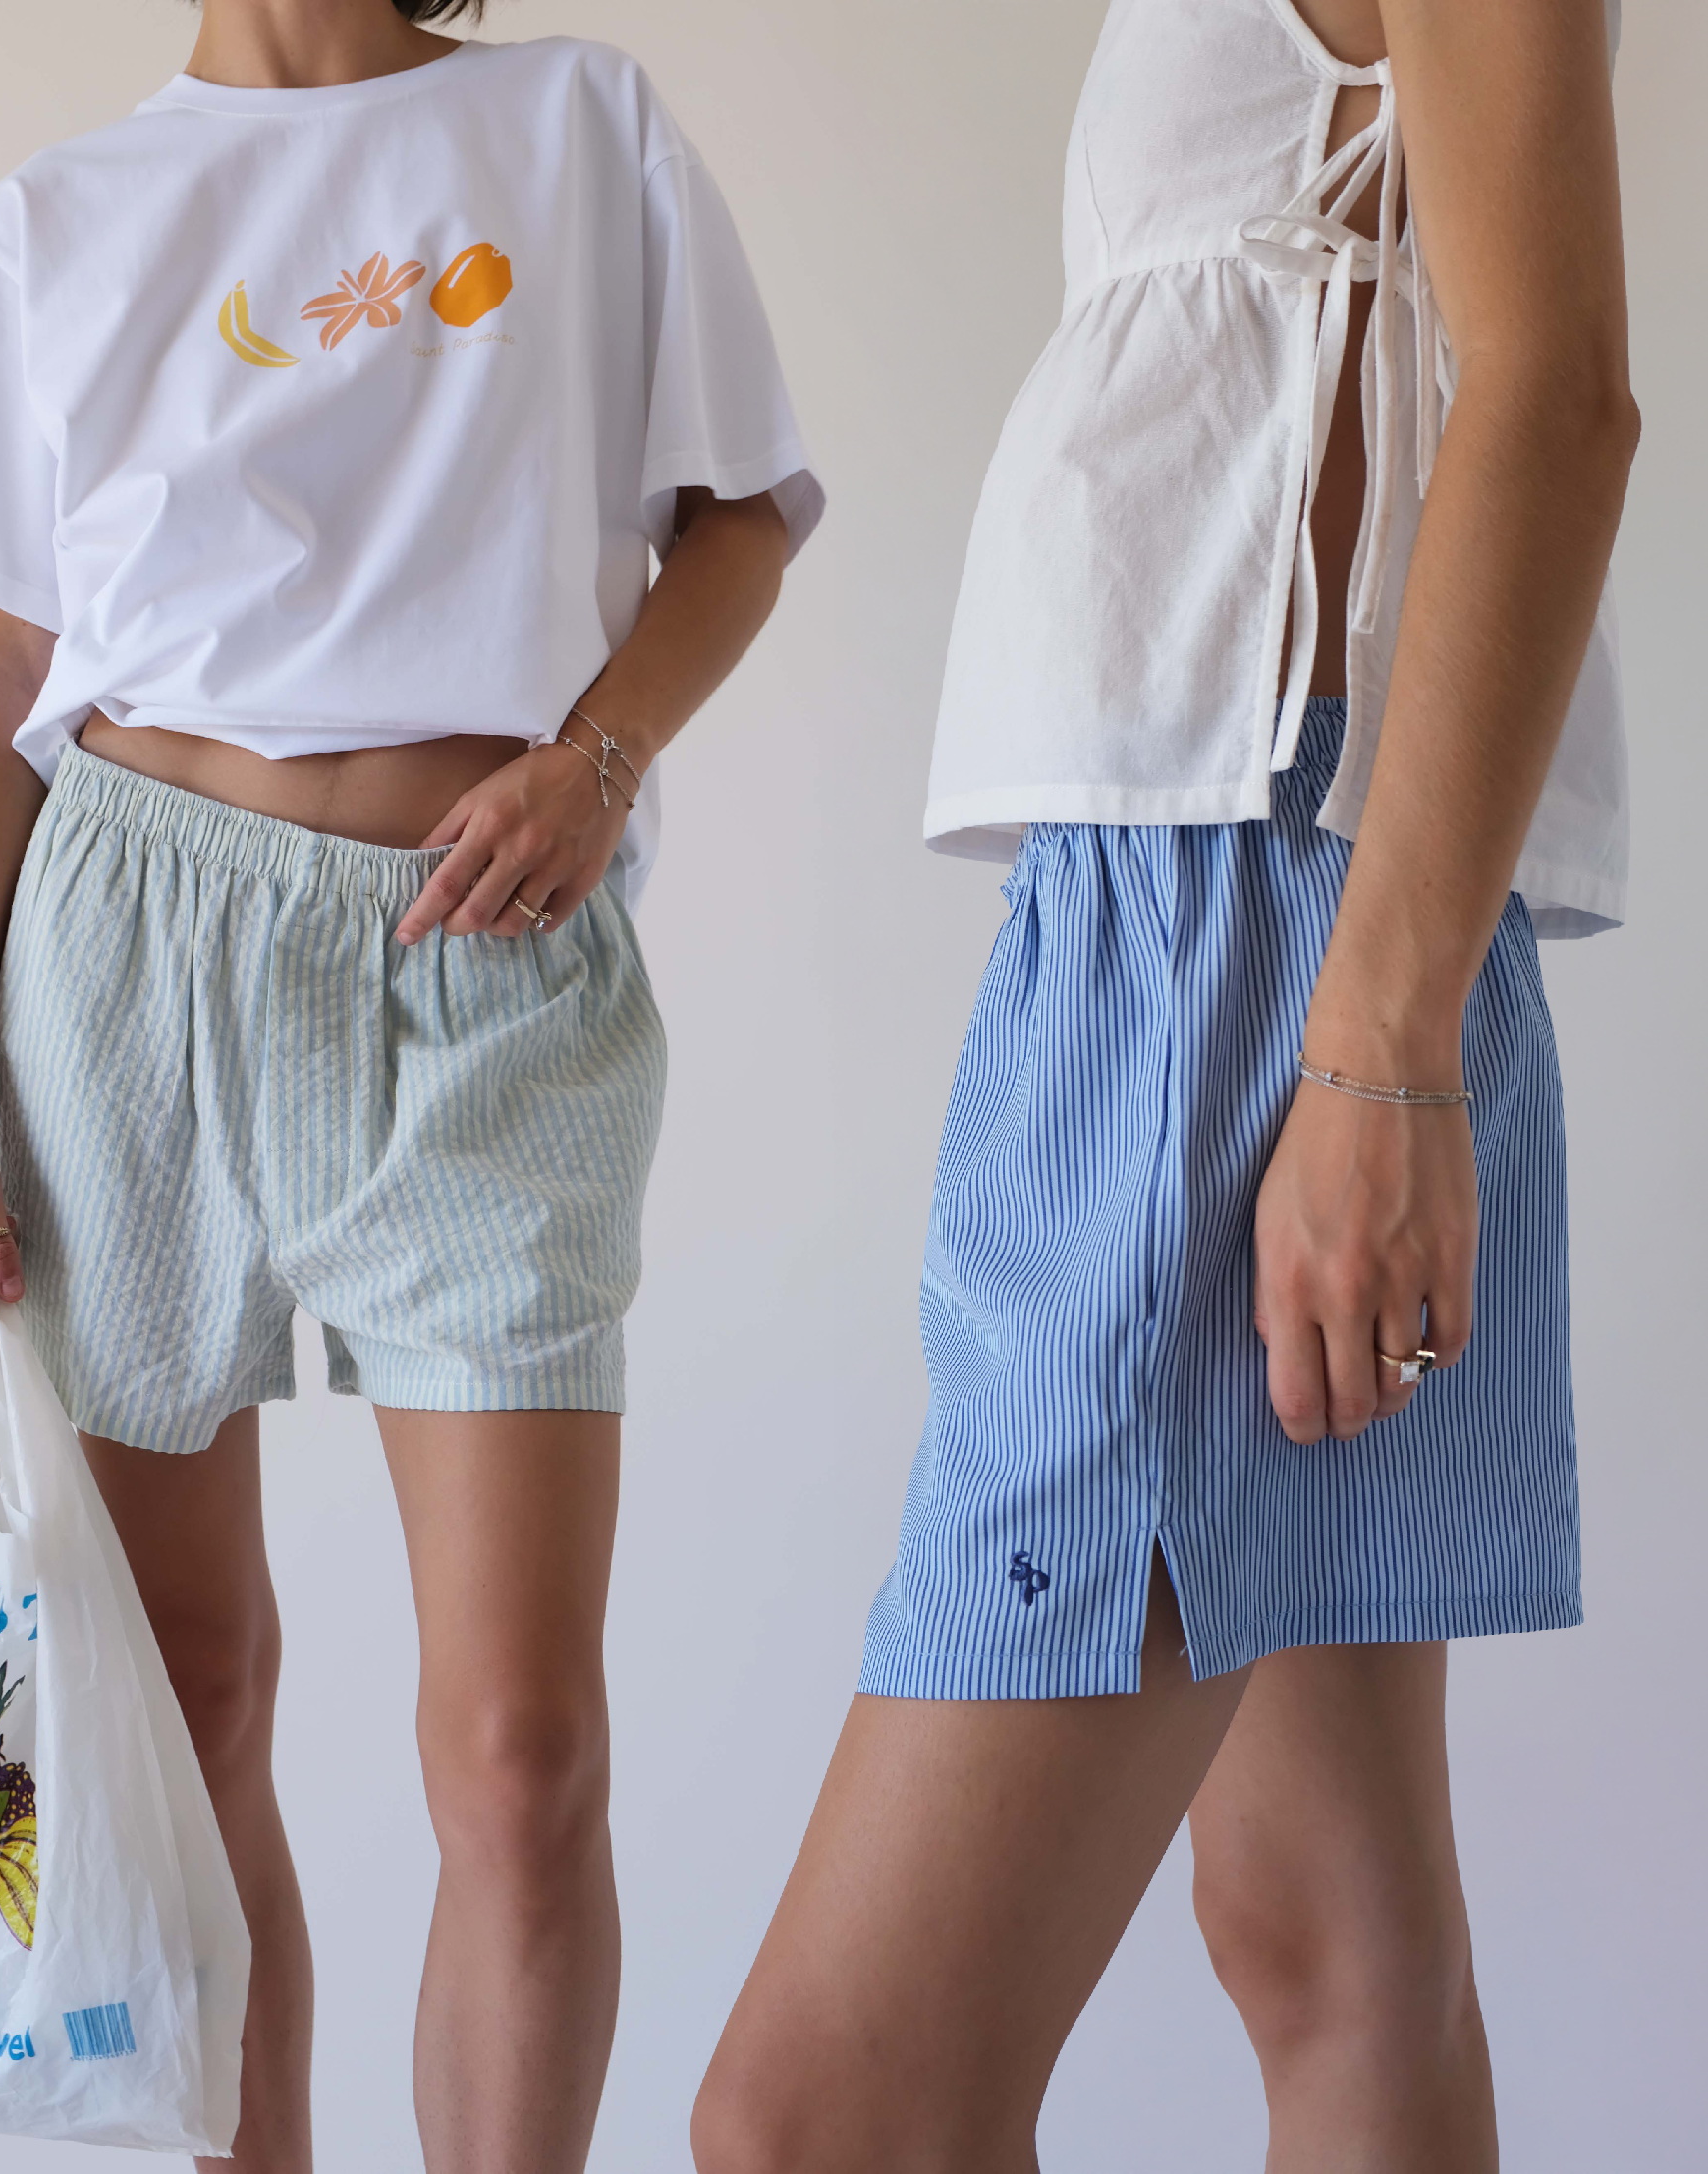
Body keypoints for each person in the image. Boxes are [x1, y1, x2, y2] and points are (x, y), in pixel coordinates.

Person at [0, 2, 819, 2168]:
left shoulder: (575, 125)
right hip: (124, 970)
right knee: (184, 1711)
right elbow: (6, 660)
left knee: (520, 1756)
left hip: (482, 966)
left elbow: (742, 517)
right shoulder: (60, 218)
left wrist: (600, 759)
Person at [694, 1, 1632, 2169]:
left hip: (1252, 913)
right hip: (1244, 880)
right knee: (1327, 1934)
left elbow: (1555, 389)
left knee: (820, 2114)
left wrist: (1380, 1044)